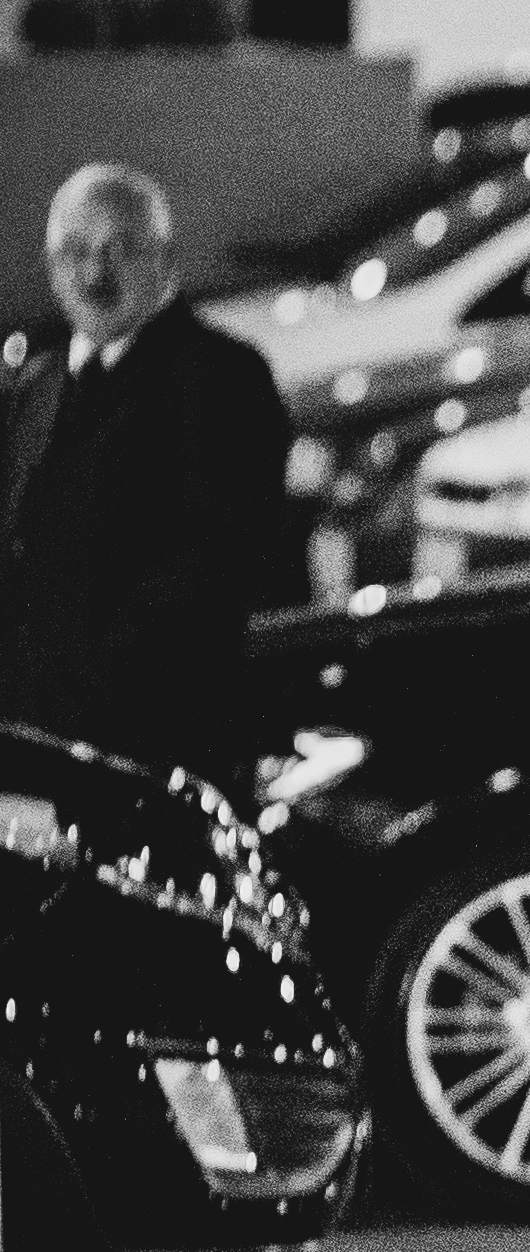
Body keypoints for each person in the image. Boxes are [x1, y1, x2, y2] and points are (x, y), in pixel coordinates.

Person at [2, 164, 306, 787]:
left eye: (120, 250)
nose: (95, 273)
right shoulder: (38, 384)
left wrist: (81, 691)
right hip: (37, 735)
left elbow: (214, 564)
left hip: (160, 742)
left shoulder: (223, 377)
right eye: (76, 252)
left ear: (167, 259)